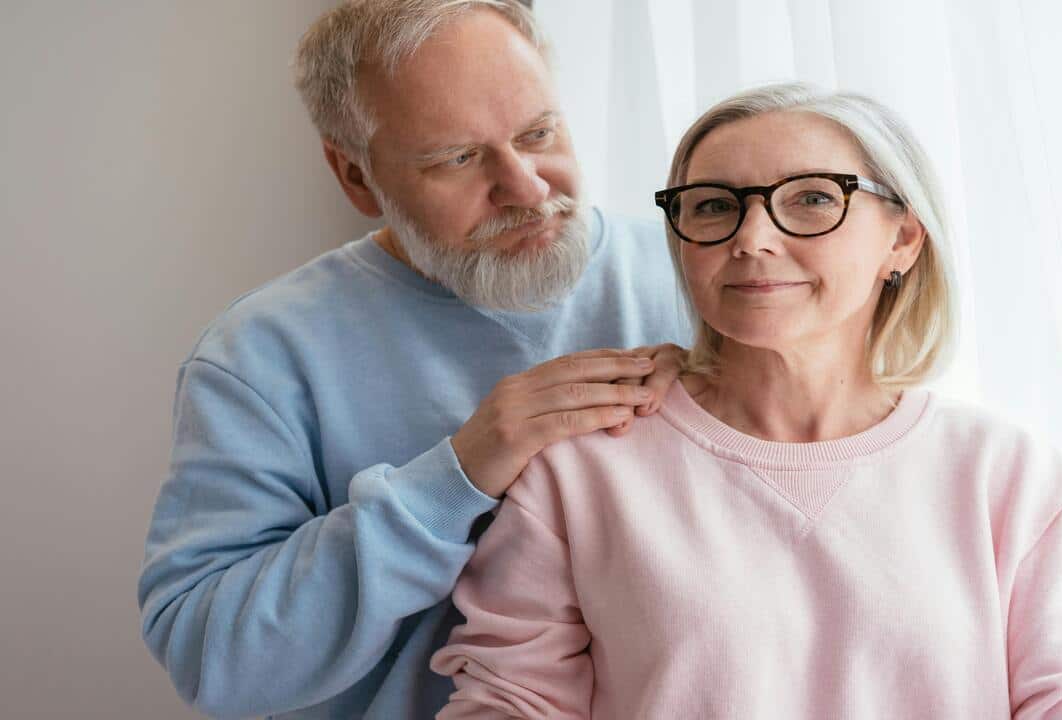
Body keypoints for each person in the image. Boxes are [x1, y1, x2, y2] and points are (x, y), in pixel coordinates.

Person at [431, 82, 1062, 719]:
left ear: (903, 239)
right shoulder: (580, 472)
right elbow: (510, 701)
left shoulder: (1014, 479)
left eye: (813, 199)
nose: (752, 239)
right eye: (713, 206)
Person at [136, 1, 689, 717]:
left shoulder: (702, 281)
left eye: (539, 132)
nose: (526, 187)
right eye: (457, 158)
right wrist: (454, 479)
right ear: (356, 179)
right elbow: (213, 659)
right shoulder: (260, 357)